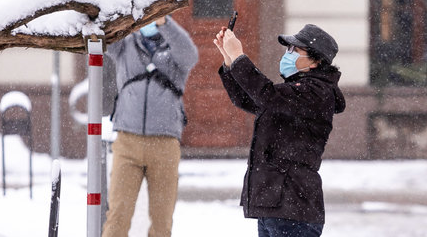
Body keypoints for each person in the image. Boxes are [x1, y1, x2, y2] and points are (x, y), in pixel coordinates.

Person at [213, 23, 346, 237]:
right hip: (274, 207)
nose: (288, 54)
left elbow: (266, 95)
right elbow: (248, 99)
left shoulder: (317, 93)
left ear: (316, 61)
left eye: (295, 50)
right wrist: (230, 61)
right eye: (288, 49)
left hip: (293, 208)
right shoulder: (293, 93)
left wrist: (239, 57)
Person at [102, 15, 198, 237]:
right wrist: (125, 17)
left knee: (162, 222)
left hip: (164, 145)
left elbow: (190, 56)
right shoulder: (126, 45)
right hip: (127, 142)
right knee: (118, 216)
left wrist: (165, 22)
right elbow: (105, 38)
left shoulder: (174, 48)